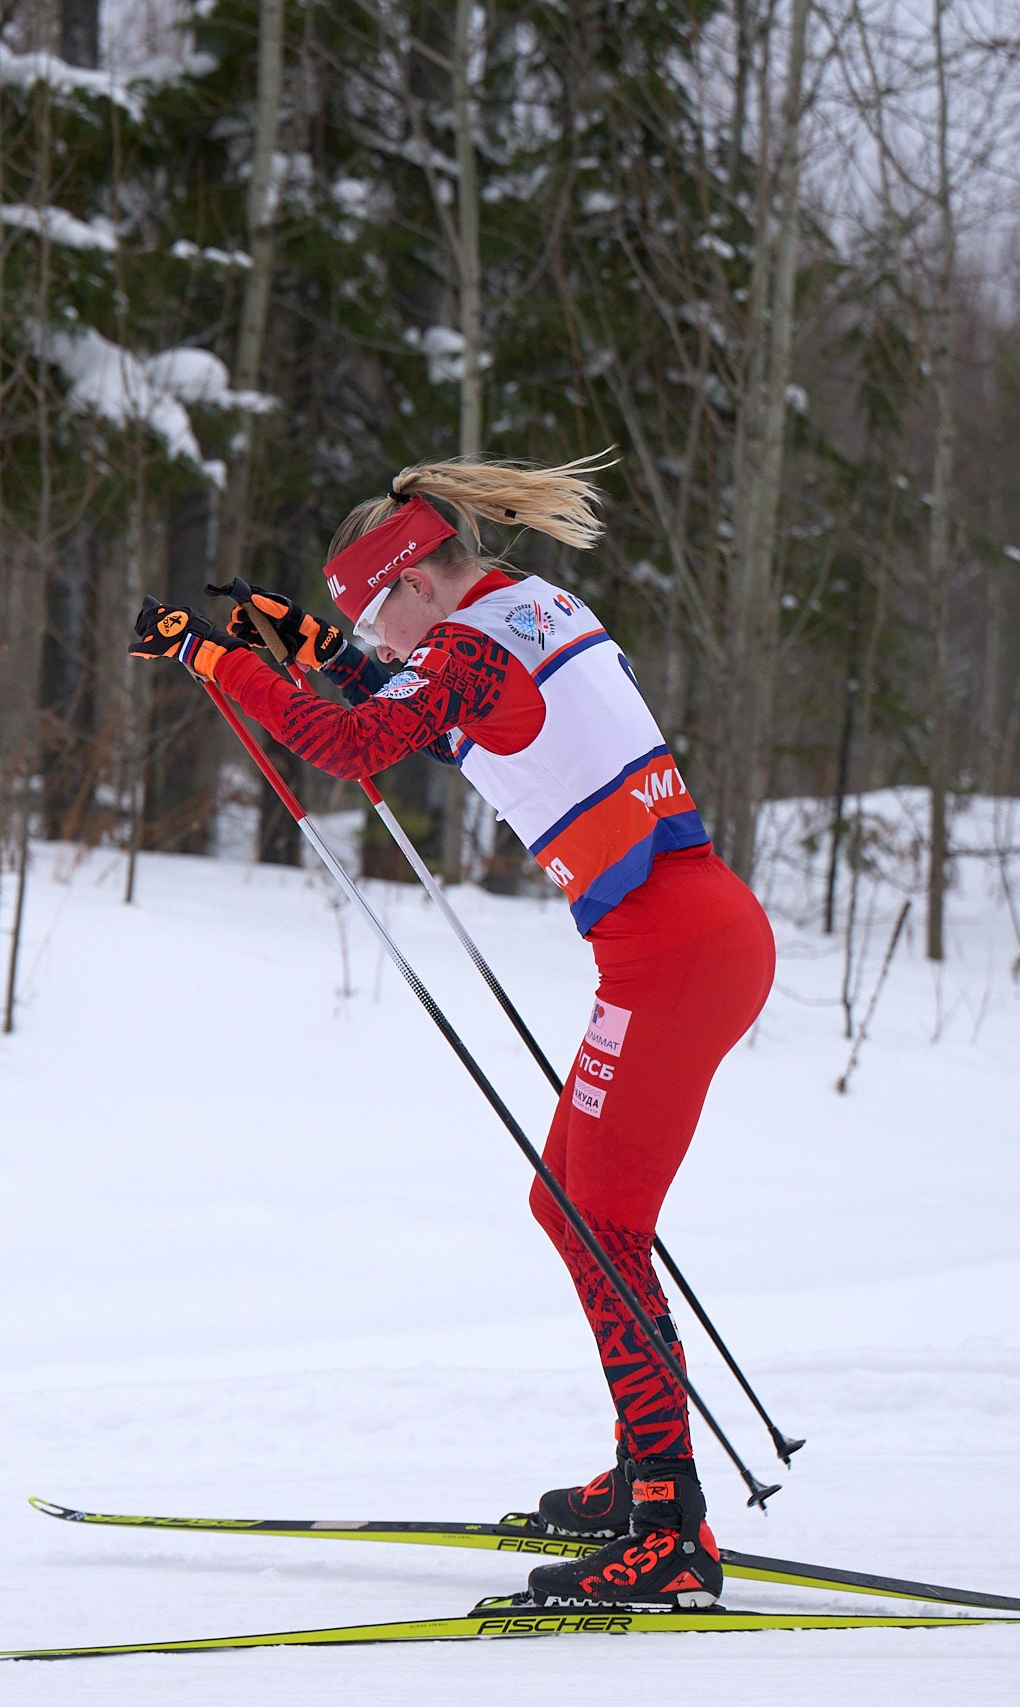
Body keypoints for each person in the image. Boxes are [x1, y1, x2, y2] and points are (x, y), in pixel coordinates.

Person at [128, 457, 776, 1609]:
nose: (366, 630)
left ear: (418, 577)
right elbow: (424, 703)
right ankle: (645, 1474)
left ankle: (672, 1530)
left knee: (603, 1221)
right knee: (568, 1203)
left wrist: (213, 658)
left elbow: (352, 743)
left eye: (370, 608)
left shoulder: (465, 644)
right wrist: (312, 646)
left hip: (673, 956)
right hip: (687, 936)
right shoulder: (518, 607)